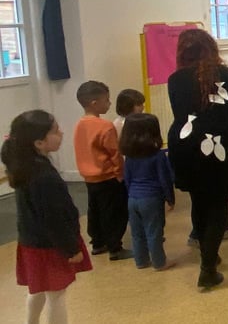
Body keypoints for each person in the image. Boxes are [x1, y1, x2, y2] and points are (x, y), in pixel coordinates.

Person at [166, 28, 228, 289]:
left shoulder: (175, 79)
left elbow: (181, 113)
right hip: (217, 145)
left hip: (185, 144)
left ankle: (209, 253)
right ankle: (207, 268)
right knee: (219, 203)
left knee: (199, 200)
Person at [3, 110, 93, 324]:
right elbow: (53, 218)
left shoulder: (26, 166)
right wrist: (71, 248)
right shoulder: (43, 176)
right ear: (39, 143)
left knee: (38, 290)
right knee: (56, 294)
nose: (61, 132)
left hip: (31, 241)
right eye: (55, 131)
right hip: (50, 245)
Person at [73, 80, 132, 261]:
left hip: (89, 177)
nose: (109, 103)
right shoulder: (105, 126)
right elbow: (115, 153)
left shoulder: (79, 125)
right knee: (114, 211)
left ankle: (98, 243)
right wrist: (120, 174)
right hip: (107, 177)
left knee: (95, 210)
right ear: (94, 103)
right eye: (106, 100)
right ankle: (115, 247)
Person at [120, 113, 176, 271]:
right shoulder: (158, 156)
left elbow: (127, 178)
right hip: (151, 198)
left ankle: (141, 261)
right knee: (154, 231)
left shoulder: (129, 157)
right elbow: (165, 179)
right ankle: (159, 262)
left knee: (137, 233)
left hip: (133, 198)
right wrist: (170, 198)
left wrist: (130, 195)